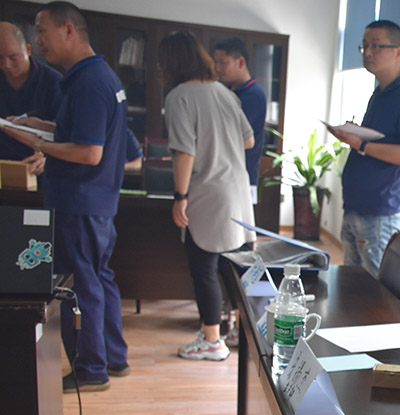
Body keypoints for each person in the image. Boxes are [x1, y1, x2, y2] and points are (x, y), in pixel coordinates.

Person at [2, 1, 128, 393]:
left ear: (68, 31)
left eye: (42, 32)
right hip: (95, 202)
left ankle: (91, 369)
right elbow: (77, 133)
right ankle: (113, 357)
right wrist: (38, 126)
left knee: (80, 286)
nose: (38, 41)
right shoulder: (95, 76)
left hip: (79, 201)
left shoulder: (88, 82)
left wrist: (35, 142)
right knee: (98, 280)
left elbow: (89, 152)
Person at [158, 30, 255, 361]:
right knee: (236, 266)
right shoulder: (224, 92)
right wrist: (220, 140)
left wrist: (180, 196)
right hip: (238, 190)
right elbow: (248, 140)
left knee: (204, 267)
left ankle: (213, 340)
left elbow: (184, 152)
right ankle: (238, 331)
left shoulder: (179, 97)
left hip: (209, 192)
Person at [330, 19, 400, 277]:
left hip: (379, 212)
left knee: (375, 289)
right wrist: (356, 135)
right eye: (364, 46)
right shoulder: (380, 93)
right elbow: (381, 141)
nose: (368, 53)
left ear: (398, 51)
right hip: (356, 206)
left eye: (376, 46)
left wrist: (360, 143)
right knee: (351, 284)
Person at [212, 37, 266, 203]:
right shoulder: (228, 92)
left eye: (223, 63)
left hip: (242, 178)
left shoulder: (253, 96)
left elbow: (234, 136)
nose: (218, 68)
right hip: (225, 175)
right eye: (216, 62)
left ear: (240, 62)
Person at [0, 21, 61, 165]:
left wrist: (46, 158)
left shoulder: (53, 82)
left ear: (28, 50)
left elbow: (66, 133)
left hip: (39, 162)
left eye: (13, 57)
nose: (6, 65)